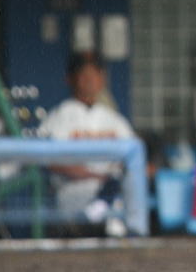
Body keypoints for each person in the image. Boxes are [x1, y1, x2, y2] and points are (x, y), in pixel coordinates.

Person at [38, 51, 135, 236]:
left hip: (112, 188)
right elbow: (47, 160)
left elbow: (134, 157)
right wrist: (88, 174)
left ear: (102, 78)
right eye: (84, 74)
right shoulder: (59, 117)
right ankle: (101, 217)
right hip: (74, 190)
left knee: (121, 192)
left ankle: (103, 216)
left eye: (95, 74)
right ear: (70, 79)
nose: (90, 80)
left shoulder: (114, 119)